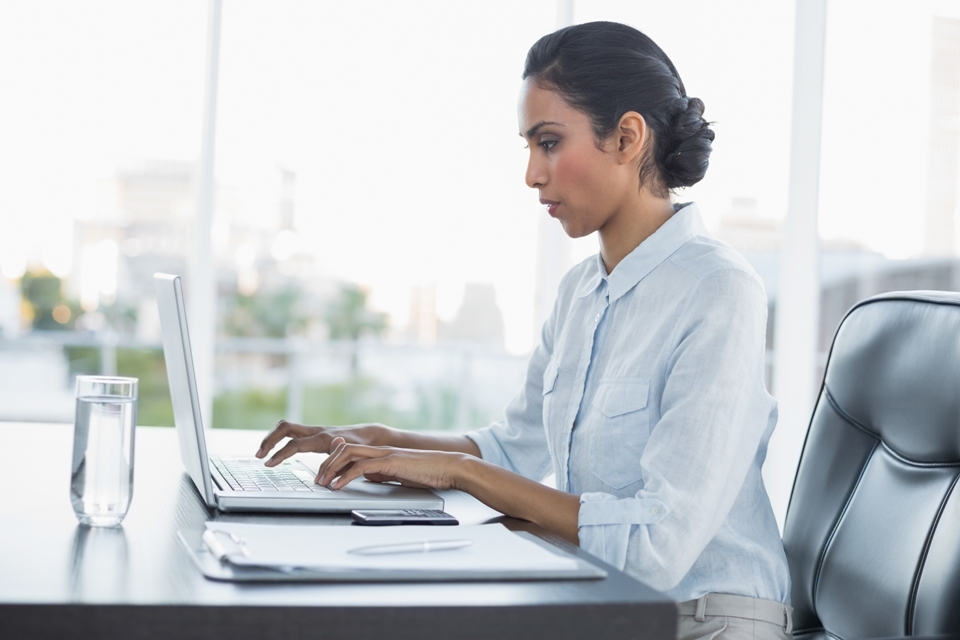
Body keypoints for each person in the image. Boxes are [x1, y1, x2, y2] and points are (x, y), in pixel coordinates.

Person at [256, 21, 792, 640]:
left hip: (707, 620)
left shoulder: (719, 290)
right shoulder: (581, 293)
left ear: (627, 137)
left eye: (550, 143)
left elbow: (655, 545)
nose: (533, 175)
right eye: (529, 147)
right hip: (609, 606)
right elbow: (515, 449)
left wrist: (460, 475)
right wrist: (383, 441)